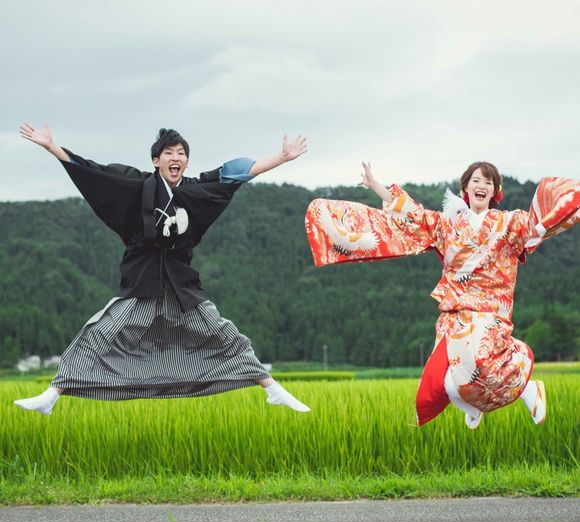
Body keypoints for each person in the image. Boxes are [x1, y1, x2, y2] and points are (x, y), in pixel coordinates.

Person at [15, 122, 310, 415]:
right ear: (156, 161)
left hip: (181, 286)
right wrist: (52, 147)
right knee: (98, 334)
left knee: (224, 334)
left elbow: (235, 174)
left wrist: (281, 158)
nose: (175, 158)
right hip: (142, 281)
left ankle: (271, 388)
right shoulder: (137, 186)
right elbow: (94, 172)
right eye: (169, 153)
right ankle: (52, 395)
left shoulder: (195, 189)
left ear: (186, 162)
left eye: (181, 153)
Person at [305, 160, 579, 428]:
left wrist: (561, 207)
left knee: (484, 366)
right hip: (455, 314)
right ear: (465, 189)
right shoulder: (447, 224)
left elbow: (537, 224)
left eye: (488, 182)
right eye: (476, 180)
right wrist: (376, 185)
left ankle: (529, 390)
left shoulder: (509, 222)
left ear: (495, 192)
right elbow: (412, 214)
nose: (481, 185)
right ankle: (471, 405)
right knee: (446, 382)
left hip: (489, 313)